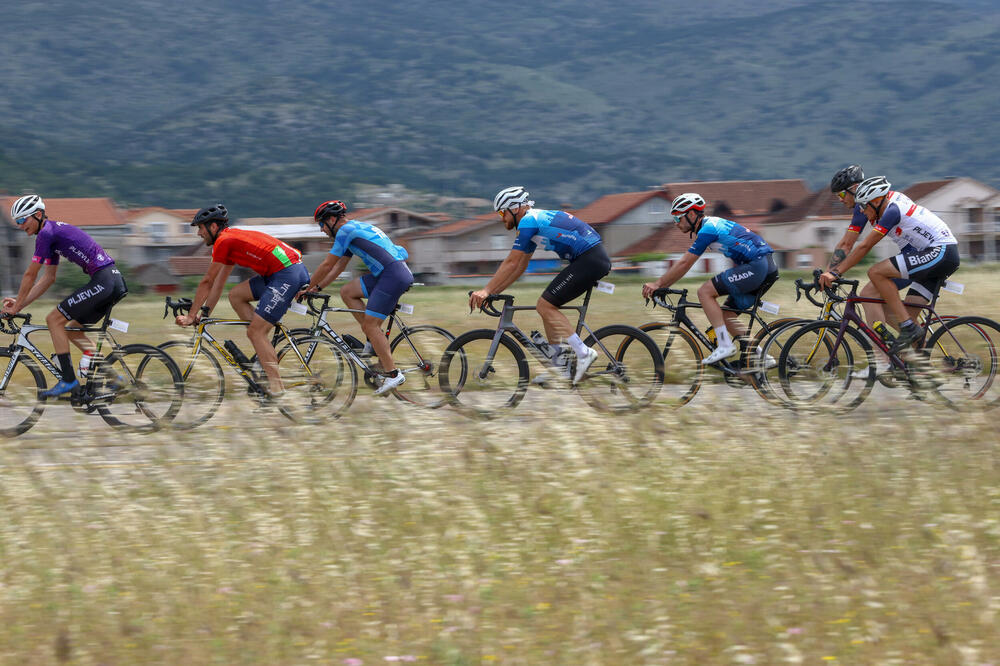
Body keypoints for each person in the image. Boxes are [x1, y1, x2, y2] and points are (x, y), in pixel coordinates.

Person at [469, 186, 610, 384]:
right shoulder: (533, 222)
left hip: (590, 259)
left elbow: (511, 262)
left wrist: (485, 290)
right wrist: (493, 292)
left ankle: (583, 352)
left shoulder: (529, 221)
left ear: (515, 208)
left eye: (502, 213)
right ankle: (559, 367)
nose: (502, 219)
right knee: (546, 307)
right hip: (590, 259)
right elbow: (519, 267)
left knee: (545, 305)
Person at [175, 204, 309, 397]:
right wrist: (204, 313)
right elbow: (218, 284)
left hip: (286, 274)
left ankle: (277, 389)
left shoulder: (224, 241)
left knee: (255, 332)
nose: (199, 233)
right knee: (236, 295)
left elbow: (207, 281)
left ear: (213, 227)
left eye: (200, 228)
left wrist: (190, 316)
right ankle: (262, 353)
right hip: (280, 273)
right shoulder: (229, 240)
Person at [1, 194, 128, 397]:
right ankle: (116, 379)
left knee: (54, 319)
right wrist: (20, 303)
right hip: (111, 281)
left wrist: (16, 307)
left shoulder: (46, 234)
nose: (19, 225)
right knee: (72, 330)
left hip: (104, 281)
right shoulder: (50, 236)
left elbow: (30, 274)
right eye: (17, 221)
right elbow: (47, 278)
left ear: (38, 215)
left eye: (22, 220)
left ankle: (68, 381)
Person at [819, 176, 959, 357]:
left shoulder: (892, 211)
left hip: (940, 251)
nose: (862, 211)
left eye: (864, 207)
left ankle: (904, 333)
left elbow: (864, 246)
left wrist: (835, 273)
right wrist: (830, 272)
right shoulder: (883, 204)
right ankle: (925, 366)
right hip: (932, 255)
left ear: (876, 201)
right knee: (906, 315)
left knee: (876, 272)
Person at [642, 193, 778, 365]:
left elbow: (685, 263)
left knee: (705, 292)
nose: (676, 223)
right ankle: (763, 356)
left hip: (757, 266)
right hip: (766, 267)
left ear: (692, 214)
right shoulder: (711, 225)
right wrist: (662, 285)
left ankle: (724, 345)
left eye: (677, 218)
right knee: (727, 315)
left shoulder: (708, 229)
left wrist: (657, 284)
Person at [302, 199, 414, 396]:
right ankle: (373, 340)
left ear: (332, 219)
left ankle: (393, 374)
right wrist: (317, 287)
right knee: (347, 292)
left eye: (322, 224)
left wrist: (305, 288)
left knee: (371, 325)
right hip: (389, 273)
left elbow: (327, 265)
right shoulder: (353, 228)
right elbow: (339, 267)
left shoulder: (345, 231)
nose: (321, 230)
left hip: (392, 275)